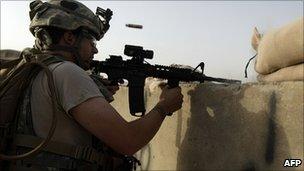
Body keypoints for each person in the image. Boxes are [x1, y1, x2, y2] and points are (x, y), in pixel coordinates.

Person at [5, 0, 183, 170]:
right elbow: (128, 141)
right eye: (92, 41)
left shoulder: (34, 67)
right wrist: (164, 106)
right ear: (69, 37)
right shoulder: (67, 73)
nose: (95, 49)